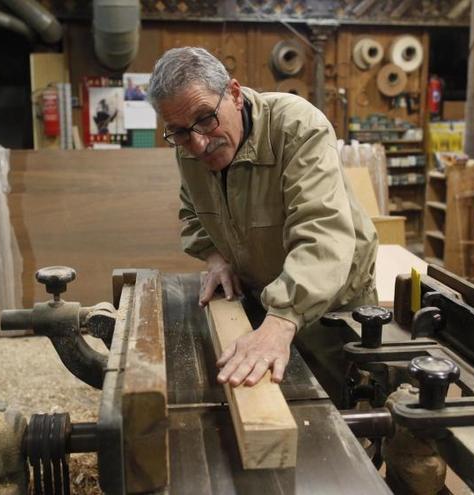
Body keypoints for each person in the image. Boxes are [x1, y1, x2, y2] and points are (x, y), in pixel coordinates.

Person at [147, 47, 378, 404]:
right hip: (263, 293)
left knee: (333, 411)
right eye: (178, 132)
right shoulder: (190, 143)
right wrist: (215, 257)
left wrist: (282, 319)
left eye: (206, 118)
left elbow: (323, 232)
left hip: (329, 305)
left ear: (235, 95)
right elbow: (192, 211)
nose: (199, 143)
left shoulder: (297, 128)